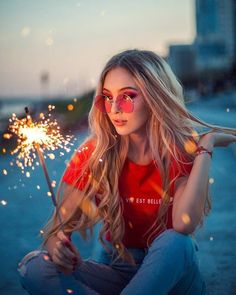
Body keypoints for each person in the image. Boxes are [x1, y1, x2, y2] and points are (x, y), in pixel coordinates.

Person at [18, 49, 236, 295]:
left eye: (128, 96)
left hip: (173, 277)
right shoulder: (92, 154)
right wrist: (57, 245)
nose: (114, 109)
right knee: (34, 266)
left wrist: (205, 148)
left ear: (155, 96)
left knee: (177, 241)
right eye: (108, 98)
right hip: (115, 270)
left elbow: (183, 224)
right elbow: (56, 229)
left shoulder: (179, 151)